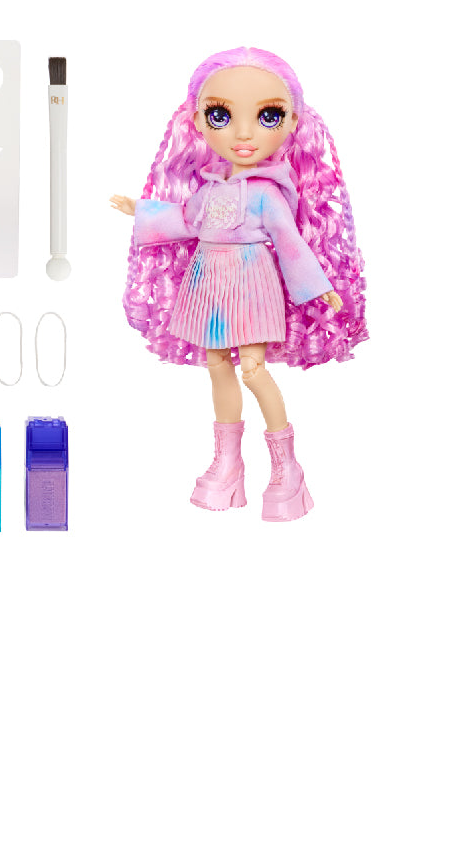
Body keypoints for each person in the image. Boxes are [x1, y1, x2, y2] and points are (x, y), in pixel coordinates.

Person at [110, 46, 366, 520]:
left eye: (268, 116)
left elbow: (290, 243)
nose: (244, 133)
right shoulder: (210, 188)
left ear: (293, 122)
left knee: (252, 368)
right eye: (221, 115)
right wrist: (140, 210)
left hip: (250, 282)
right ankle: (227, 463)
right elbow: (186, 219)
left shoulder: (268, 193)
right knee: (216, 365)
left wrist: (320, 287)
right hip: (208, 281)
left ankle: (286, 467)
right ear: (197, 121)